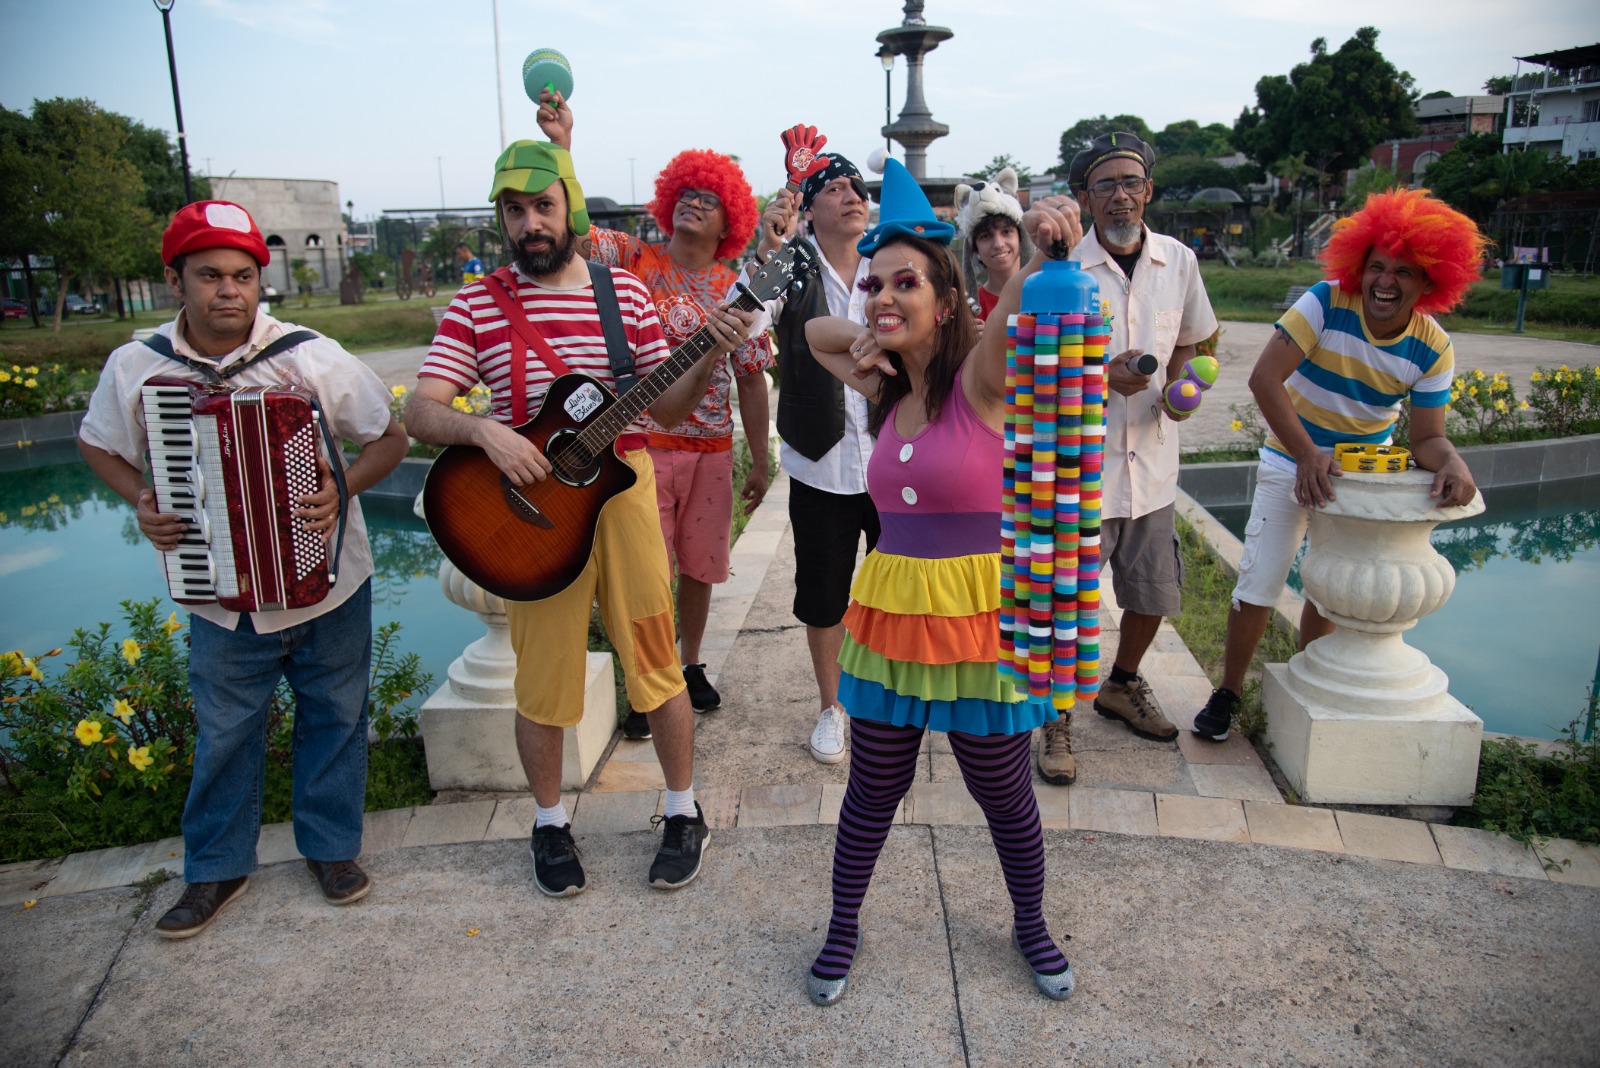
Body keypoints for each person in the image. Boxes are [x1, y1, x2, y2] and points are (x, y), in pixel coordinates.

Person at [403, 140, 755, 897]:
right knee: (544, 678)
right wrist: (485, 432)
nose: (530, 223)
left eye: (543, 206)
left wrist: (707, 352)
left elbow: (667, 406)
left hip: (623, 494)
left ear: (569, 206)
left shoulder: (623, 295)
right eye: (514, 209)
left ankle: (682, 808)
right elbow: (422, 408)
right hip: (528, 514)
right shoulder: (476, 303)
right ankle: (550, 822)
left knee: (657, 662)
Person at [77, 200, 408, 938]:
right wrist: (140, 496)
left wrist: (341, 489)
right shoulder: (138, 367)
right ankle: (216, 869)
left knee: (337, 717)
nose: (228, 290)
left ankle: (330, 850)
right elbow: (98, 443)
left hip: (326, 584)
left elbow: (388, 436)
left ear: (260, 281)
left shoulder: (309, 357)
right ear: (176, 282)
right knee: (225, 730)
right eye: (209, 275)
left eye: (242, 275)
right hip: (218, 597)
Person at [801, 160, 1082, 1006]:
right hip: (893, 613)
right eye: (874, 284)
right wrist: (868, 333)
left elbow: (1026, 302)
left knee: (1001, 790)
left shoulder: (982, 382)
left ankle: (1030, 923)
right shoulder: (882, 385)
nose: (883, 297)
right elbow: (818, 334)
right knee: (871, 791)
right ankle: (843, 927)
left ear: (949, 299)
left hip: (976, 616)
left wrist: (1042, 251)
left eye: (906, 283)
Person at [1190, 189, 1484, 741]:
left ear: (1430, 283)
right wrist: (1305, 454)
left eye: (1403, 271)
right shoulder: (1325, 301)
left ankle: (1310, 685)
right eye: (1376, 267)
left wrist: (1454, 462)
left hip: (1359, 477)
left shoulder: (1433, 347)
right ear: (1359, 266)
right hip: (1289, 457)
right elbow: (1263, 379)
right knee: (1259, 580)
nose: (1385, 282)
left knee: (1331, 589)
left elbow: (1428, 439)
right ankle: (1227, 692)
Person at [535, 91, 774, 735]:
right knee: (645, 575)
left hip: (711, 449)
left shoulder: (737, 290)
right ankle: (649, 682)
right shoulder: (632, 260)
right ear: (669, 204)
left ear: (732, 223)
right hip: (636, 446)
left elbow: (752, 380)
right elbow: (575, 231)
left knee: (698, 567)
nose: (696, 203)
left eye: (711, 199)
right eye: (687, 194)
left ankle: (687, 666)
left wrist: (763, 456)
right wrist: (562, 147)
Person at [1031, 132, 1219, 787]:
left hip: (1153, 463)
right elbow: (1024, 366)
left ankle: (1122, 683)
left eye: (1131, 182)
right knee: (1063, 602)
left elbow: (1195, 342)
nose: (1120, 195)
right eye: (1104, 184)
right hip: (1077, 467)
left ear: (1149, 191)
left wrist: (1184, 388)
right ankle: (1056, 717)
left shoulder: (1179, 262)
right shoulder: (1061, 272)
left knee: (1152, 591)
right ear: (1083, 197)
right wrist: (1095, 375)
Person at [746, 132, 879, 765]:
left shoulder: (890, 261)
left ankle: (892, 696)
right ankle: (833, 708)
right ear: (808, 208)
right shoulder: (793, 264)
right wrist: (768, 249)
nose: (852, 196)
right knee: (824, 594)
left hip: (895, 458)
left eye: (857, 187)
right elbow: (743, 320)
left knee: (898, 584)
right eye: (835, 188)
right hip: (821, 462)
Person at [954, 166, 1034, 322]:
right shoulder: (969, 310)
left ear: (1021, 236)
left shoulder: (1044, 295)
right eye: (985, 236)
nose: (998, 244)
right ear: (973, 248)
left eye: (1006, 232)